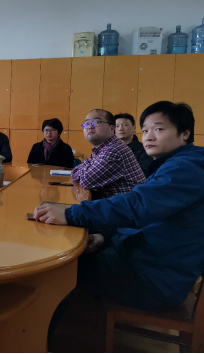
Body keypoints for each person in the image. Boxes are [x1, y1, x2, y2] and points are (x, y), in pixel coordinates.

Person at [34, 101, 204, 312]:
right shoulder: (177, 164)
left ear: (185, 134)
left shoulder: (185, 168)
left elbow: (137, 205)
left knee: (55, 268)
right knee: (70, 253)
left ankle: (41, 331)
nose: (149, 137)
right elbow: (149, 217)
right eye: (146, 130)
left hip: (153, 278)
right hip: (146, 259)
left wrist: (71, 214)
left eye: (159, 129)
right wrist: (106, 236)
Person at [71, 109, 145, 199]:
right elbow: (79, 169)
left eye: (96, 122)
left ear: (112, 129)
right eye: (86, 123)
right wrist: (84, 169)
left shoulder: (114, 150)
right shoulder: (103, 149)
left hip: (124, 207)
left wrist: (82, 170)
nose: (90, 126)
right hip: (112, 203)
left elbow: (86, 181)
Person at [115, 113, 154, 177]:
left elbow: (145, 173)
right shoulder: (109, 148)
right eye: (117, 126)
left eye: (125, 125)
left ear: (134, 128)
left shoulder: (144, 149)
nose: (120, 129)